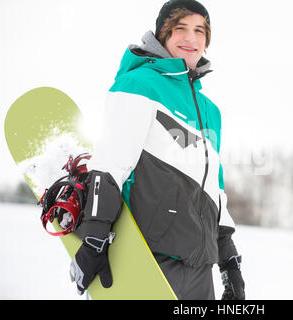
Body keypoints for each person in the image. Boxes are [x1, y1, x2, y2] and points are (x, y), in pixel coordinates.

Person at [69, 0, 245, 300]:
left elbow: (214, 189)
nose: (191, 38)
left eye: (200, 30)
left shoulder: (209, 111)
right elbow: (112, 161)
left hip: (199, 266)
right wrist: (95, 236)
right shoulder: (139, 84)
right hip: (149, 256)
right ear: (163, 34)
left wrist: (229, 260)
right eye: (181, 29)